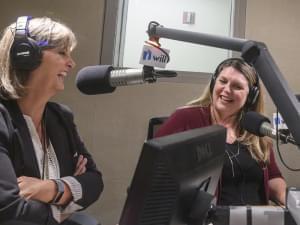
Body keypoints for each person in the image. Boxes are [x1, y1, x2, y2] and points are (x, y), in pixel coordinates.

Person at [0, 16, 103, 224]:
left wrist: (51, 188)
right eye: (62, 53)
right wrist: (63, 206)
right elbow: (9, 210)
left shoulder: (60, 116)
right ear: (25, 56)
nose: (71, 63)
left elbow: (94, 181)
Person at [155, 57, 286, 206]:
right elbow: (153, 171)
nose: (227, 90)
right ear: (213, 83)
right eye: (223, 81)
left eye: (237, 86)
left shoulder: (256, 128)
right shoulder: (186, 118)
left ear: (251, 96)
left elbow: (273, 177)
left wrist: (290, 201)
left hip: (256, 218)